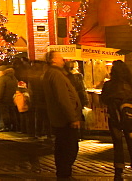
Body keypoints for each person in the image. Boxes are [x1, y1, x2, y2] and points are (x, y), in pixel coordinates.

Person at [43, 50, 83, 180]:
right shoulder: (56, 75)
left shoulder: (53, 74)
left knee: (63, 146)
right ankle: (64, 173)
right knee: (69, 147)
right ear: (53, 60)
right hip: (64, 119)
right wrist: (72, 118)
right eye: (60, 58)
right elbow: (63, 98)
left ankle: (63, 172)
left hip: (59, 118)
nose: (63, 60)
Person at [102, 60, 132, 180]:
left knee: (117, 143)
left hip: (115, 116)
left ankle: (119, 170)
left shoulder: (109, 85)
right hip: (129, 115)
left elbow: (103, 99)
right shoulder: (130, 84)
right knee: (131, 142)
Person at [0, 65, 19, 131]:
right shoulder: (14, 78)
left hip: (4, 98)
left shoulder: (3, 78)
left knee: (5, 113)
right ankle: (14, 126)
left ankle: (7, 126)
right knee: (12, 112)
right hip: (12, 98)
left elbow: (1, 89)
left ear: (2, 71)